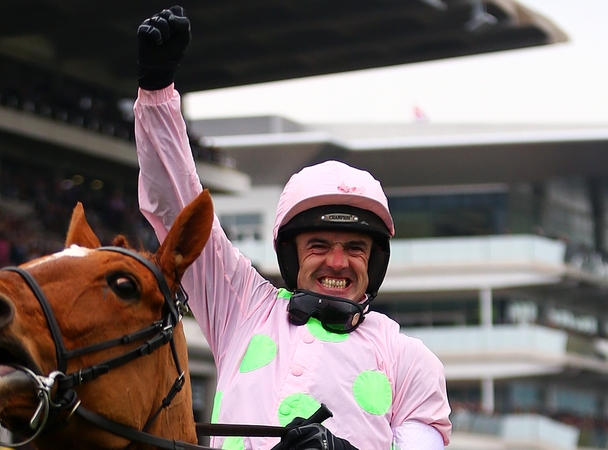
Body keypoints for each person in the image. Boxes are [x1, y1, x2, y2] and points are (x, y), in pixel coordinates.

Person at [134, 7, 452, 450]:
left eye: (355, 248)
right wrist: (157, 90)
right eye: (319, 244)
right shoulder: (240, 308)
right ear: (290, 254)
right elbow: (177, 208)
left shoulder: (409, 361)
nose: (337, 262)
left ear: (375, 261)